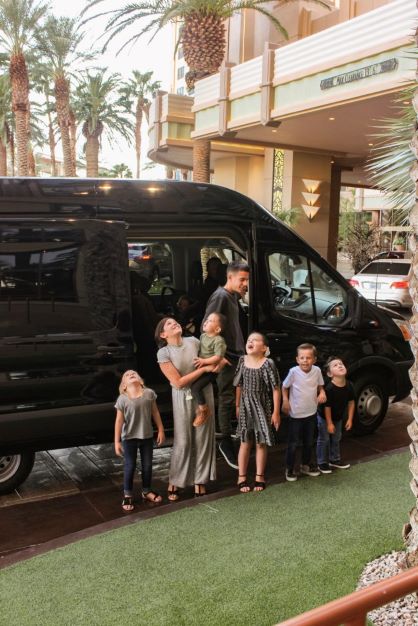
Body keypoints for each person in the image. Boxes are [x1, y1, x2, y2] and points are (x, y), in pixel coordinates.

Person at [155, 317, 217, 500]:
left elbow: (213, 360)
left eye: (175, 321)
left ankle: (200, 480)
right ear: (163, 334)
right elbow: (178, 382)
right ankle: (175, 480)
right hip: (182, 396)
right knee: (184, 439)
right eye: (169, 324)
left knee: (203, 437)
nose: (174, 323)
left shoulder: (194, 341)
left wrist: (216, 364)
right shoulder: (164, 353)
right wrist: (204, 370)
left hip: (204, 393)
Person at [204, 260, 250, 469]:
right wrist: (218, 356)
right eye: (241, 279)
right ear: (229, 278)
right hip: (227, 358)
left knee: (234, 399)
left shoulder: (232, 296)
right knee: (227, 399)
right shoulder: (220, 296)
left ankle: (231, 437)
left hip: (238, 356)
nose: (245, 283)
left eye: (246, 280)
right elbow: (207, 327)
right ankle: (224, 442)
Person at [234, 332, 281, 493]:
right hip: (245, 404)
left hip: (262, 405)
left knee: (260, 441)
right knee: (245, 441)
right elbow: (238, 385)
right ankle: (241, 476)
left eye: (255, 340)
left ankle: (259, 476)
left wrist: (276, 412)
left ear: (264, 348)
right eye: (249, 340)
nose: (250, 342)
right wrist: (237, 405)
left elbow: (276, 389)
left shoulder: (268, 363)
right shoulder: (242, 360)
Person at [114, 370, 165, 512]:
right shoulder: (122, 399)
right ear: (124, 385)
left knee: (147, 465)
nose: (131, 374)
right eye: (127, 375)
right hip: (129, 438)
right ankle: (128, 494)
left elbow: (155, 412)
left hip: (146, 437)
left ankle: (146, 491)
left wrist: (160, 429)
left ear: (141, 380)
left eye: (134, 373)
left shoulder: (149, 394)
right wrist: (117, 441)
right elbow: (119, 421)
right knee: (130, 466)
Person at [282, 343, 326, 482]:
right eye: (302, 358)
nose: (305, 360)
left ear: (314, 359)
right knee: (293, 443)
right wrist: (285, 401)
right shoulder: (293, 372)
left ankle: (305, 465)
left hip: (311, 413)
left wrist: (322, 392)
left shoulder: (317, 371)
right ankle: (289, 468)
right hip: (296, 414)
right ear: (297, 359)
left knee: (309, 441)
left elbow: (320, 386)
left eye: (308, 358)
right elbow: (284, 387)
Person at [317, 356, 355, 474]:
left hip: (338, 417)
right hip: (324, 417)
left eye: (341, 363)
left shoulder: (349, 385)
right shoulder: (330, 388)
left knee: (336, 437)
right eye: (335, 365)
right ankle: (322, 462)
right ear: (329, 374)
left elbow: (351, 402)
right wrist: (329, 423)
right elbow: (327, 407)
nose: (340, 365)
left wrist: (350, 419)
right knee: (324, 439)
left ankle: (335, 460)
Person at [191, 312, 227, 427]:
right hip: (203, 366)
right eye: (206, 319)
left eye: (210, 321)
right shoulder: (202, 336)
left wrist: (204, 362)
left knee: (195, 387)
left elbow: (218, 357)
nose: (206, 321)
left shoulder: (218, 340)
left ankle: (204, 410)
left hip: (211, 370)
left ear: (217, 329)